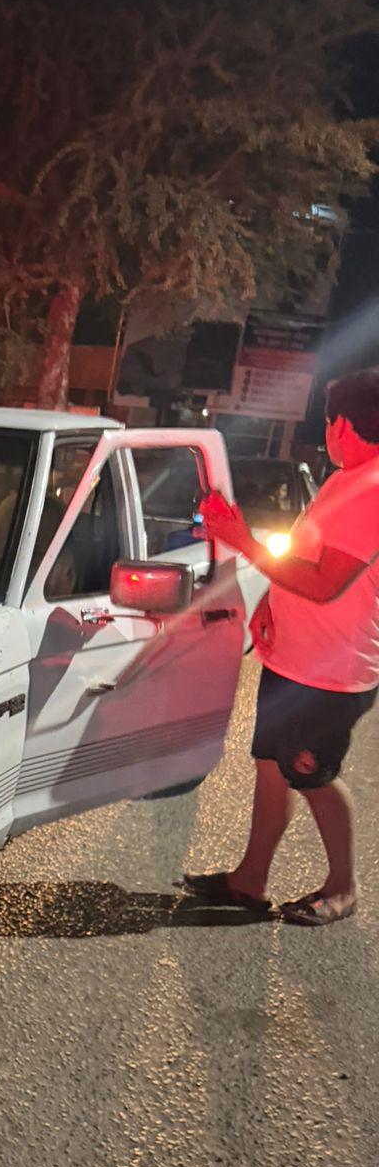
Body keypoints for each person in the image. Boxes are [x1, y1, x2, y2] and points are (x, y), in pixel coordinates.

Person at [186, 368, 379, 926]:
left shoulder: (370, 489)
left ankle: (343, 888)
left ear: (343, 424)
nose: (327, 432)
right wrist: (271, 599)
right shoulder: (346, 479)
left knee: (311, 775)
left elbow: (325, 583)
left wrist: (240, 539)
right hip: (297, 660)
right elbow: (304, 555)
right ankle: (249, 881)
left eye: (328, 421)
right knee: (272, 768)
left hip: (330, 673)